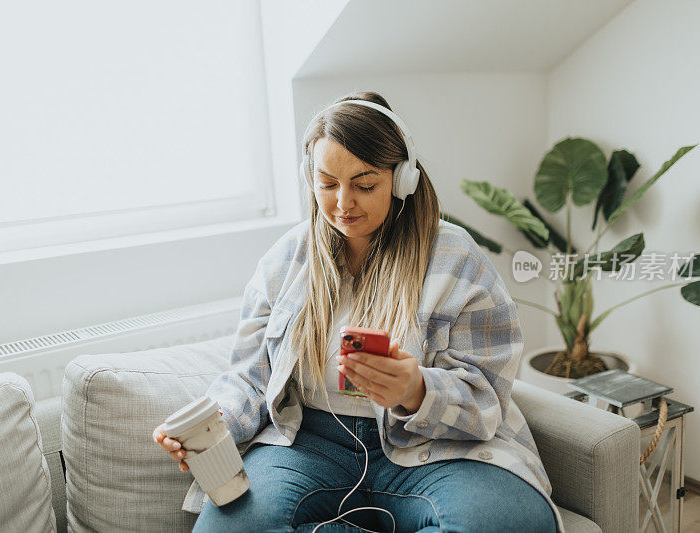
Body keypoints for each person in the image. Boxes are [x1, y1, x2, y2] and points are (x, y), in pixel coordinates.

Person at [153, 91, 563, 533]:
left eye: (364, 185)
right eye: (327, 183)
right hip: (310, 442)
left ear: (402, 179)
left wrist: (417, 389)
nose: (343, 203)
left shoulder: (455, 257)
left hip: (433, 449)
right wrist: (215, 422)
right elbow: (249, 377)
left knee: (512, 522)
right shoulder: (286, 260)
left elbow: (487, 396)